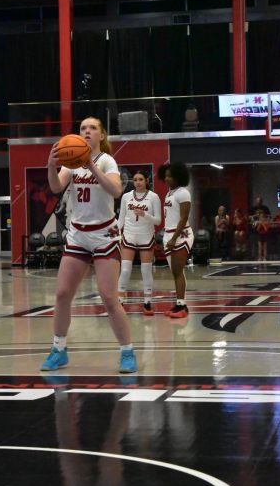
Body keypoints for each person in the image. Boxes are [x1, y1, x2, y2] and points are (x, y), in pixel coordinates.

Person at [41, 116, 137, 373]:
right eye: (83, 128)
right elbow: (55, 186)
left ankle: (127, 351)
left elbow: (116, 191)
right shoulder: (71, 163)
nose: (86, 131)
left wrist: (92, 167)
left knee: (108, 297)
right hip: (78, 235)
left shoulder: (107, 161)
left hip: (104, 234)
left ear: (101, 136)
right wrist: (51, 165)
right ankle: (59, 349)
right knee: (62, 294)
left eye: (92, 128)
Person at [117, 169, 161, 315]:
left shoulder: (154, 197)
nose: (138, 182)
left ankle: (147, 302)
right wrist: (115, 232)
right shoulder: (126, 197)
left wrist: (145, 215)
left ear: (146, 180)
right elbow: (121, 219)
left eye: (140, 179)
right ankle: (120, 301)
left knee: (146, 270)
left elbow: (158, 220)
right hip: (129, 235)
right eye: (135, 180)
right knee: (125, 270)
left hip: (146, 235)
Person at [157, 162, 194, 318]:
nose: (167, 179)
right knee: (175, 272)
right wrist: (166, 238)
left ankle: (182, 306)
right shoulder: (169, 193)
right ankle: (179, 304)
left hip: (181, 236)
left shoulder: (183, 193)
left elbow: (184, 218)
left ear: (179, 177)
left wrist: (173, 238)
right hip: (169, 236)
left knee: (178, 271)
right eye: (165, 176)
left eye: (170, 176)